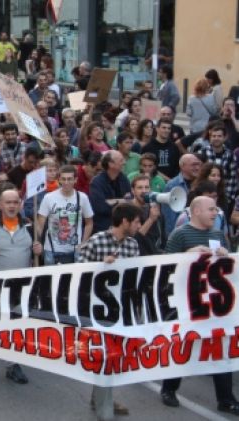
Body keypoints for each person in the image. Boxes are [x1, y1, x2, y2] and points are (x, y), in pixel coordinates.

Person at [160, 196, 239, 416]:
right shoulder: (181, 234)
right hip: (188, 302)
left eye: (216, 210)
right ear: (196, 211)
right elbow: (165, 267)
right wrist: (186, 255)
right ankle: (169, 389)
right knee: (183, 347)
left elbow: (229, 272)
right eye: (211, 209)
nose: (216, 213)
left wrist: (227, 257)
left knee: (220, 349)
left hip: (213, 304)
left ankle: (226, 399)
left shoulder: (217, 235)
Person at [78, 203, 141, 421]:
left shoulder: (133, 245)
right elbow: (78, 273)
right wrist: (101, 266)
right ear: (124, 221)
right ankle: (105, 411)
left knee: (112, 355)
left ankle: (100, 398)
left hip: (121, 309)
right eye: (136, 221)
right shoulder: (96, 241)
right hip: (97, 310)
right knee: (104, 355)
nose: (138, 226)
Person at [0, 187, 41, 383]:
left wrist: (39, 250)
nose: (12, 206)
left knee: (15, 328)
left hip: (21, 287)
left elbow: (39, 260)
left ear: (20, 204)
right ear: (0, 205)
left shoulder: (30, 228)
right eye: (8, 202)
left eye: (15, 202)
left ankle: (12, 366)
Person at [36, 165, 94, 264]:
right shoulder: (49, 197)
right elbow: (40, 223)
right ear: (59, 180)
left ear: (75, 180)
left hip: (75, 250)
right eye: (63, 179)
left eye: (69, 179)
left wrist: (83, 243)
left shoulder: (82, 197)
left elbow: (89, 222)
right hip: (51, 249)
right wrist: (39, 242)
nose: (66, 182)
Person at [89, 151, 132, 233]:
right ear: (111, 164)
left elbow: (129, 201)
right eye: (121, 160)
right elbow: (100, 207)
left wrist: (112, 201)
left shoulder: (124, 179)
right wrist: (122, 200)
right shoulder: (97, 182)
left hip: (122, 226)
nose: (124, 163)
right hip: (103, 228)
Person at [162, 153, 201, 234]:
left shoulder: (202, 183)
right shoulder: (172, 186)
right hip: (180, 234)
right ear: (182, 166)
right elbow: (169, 217)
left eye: (198, 164)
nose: (197, 168)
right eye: (193, 165)